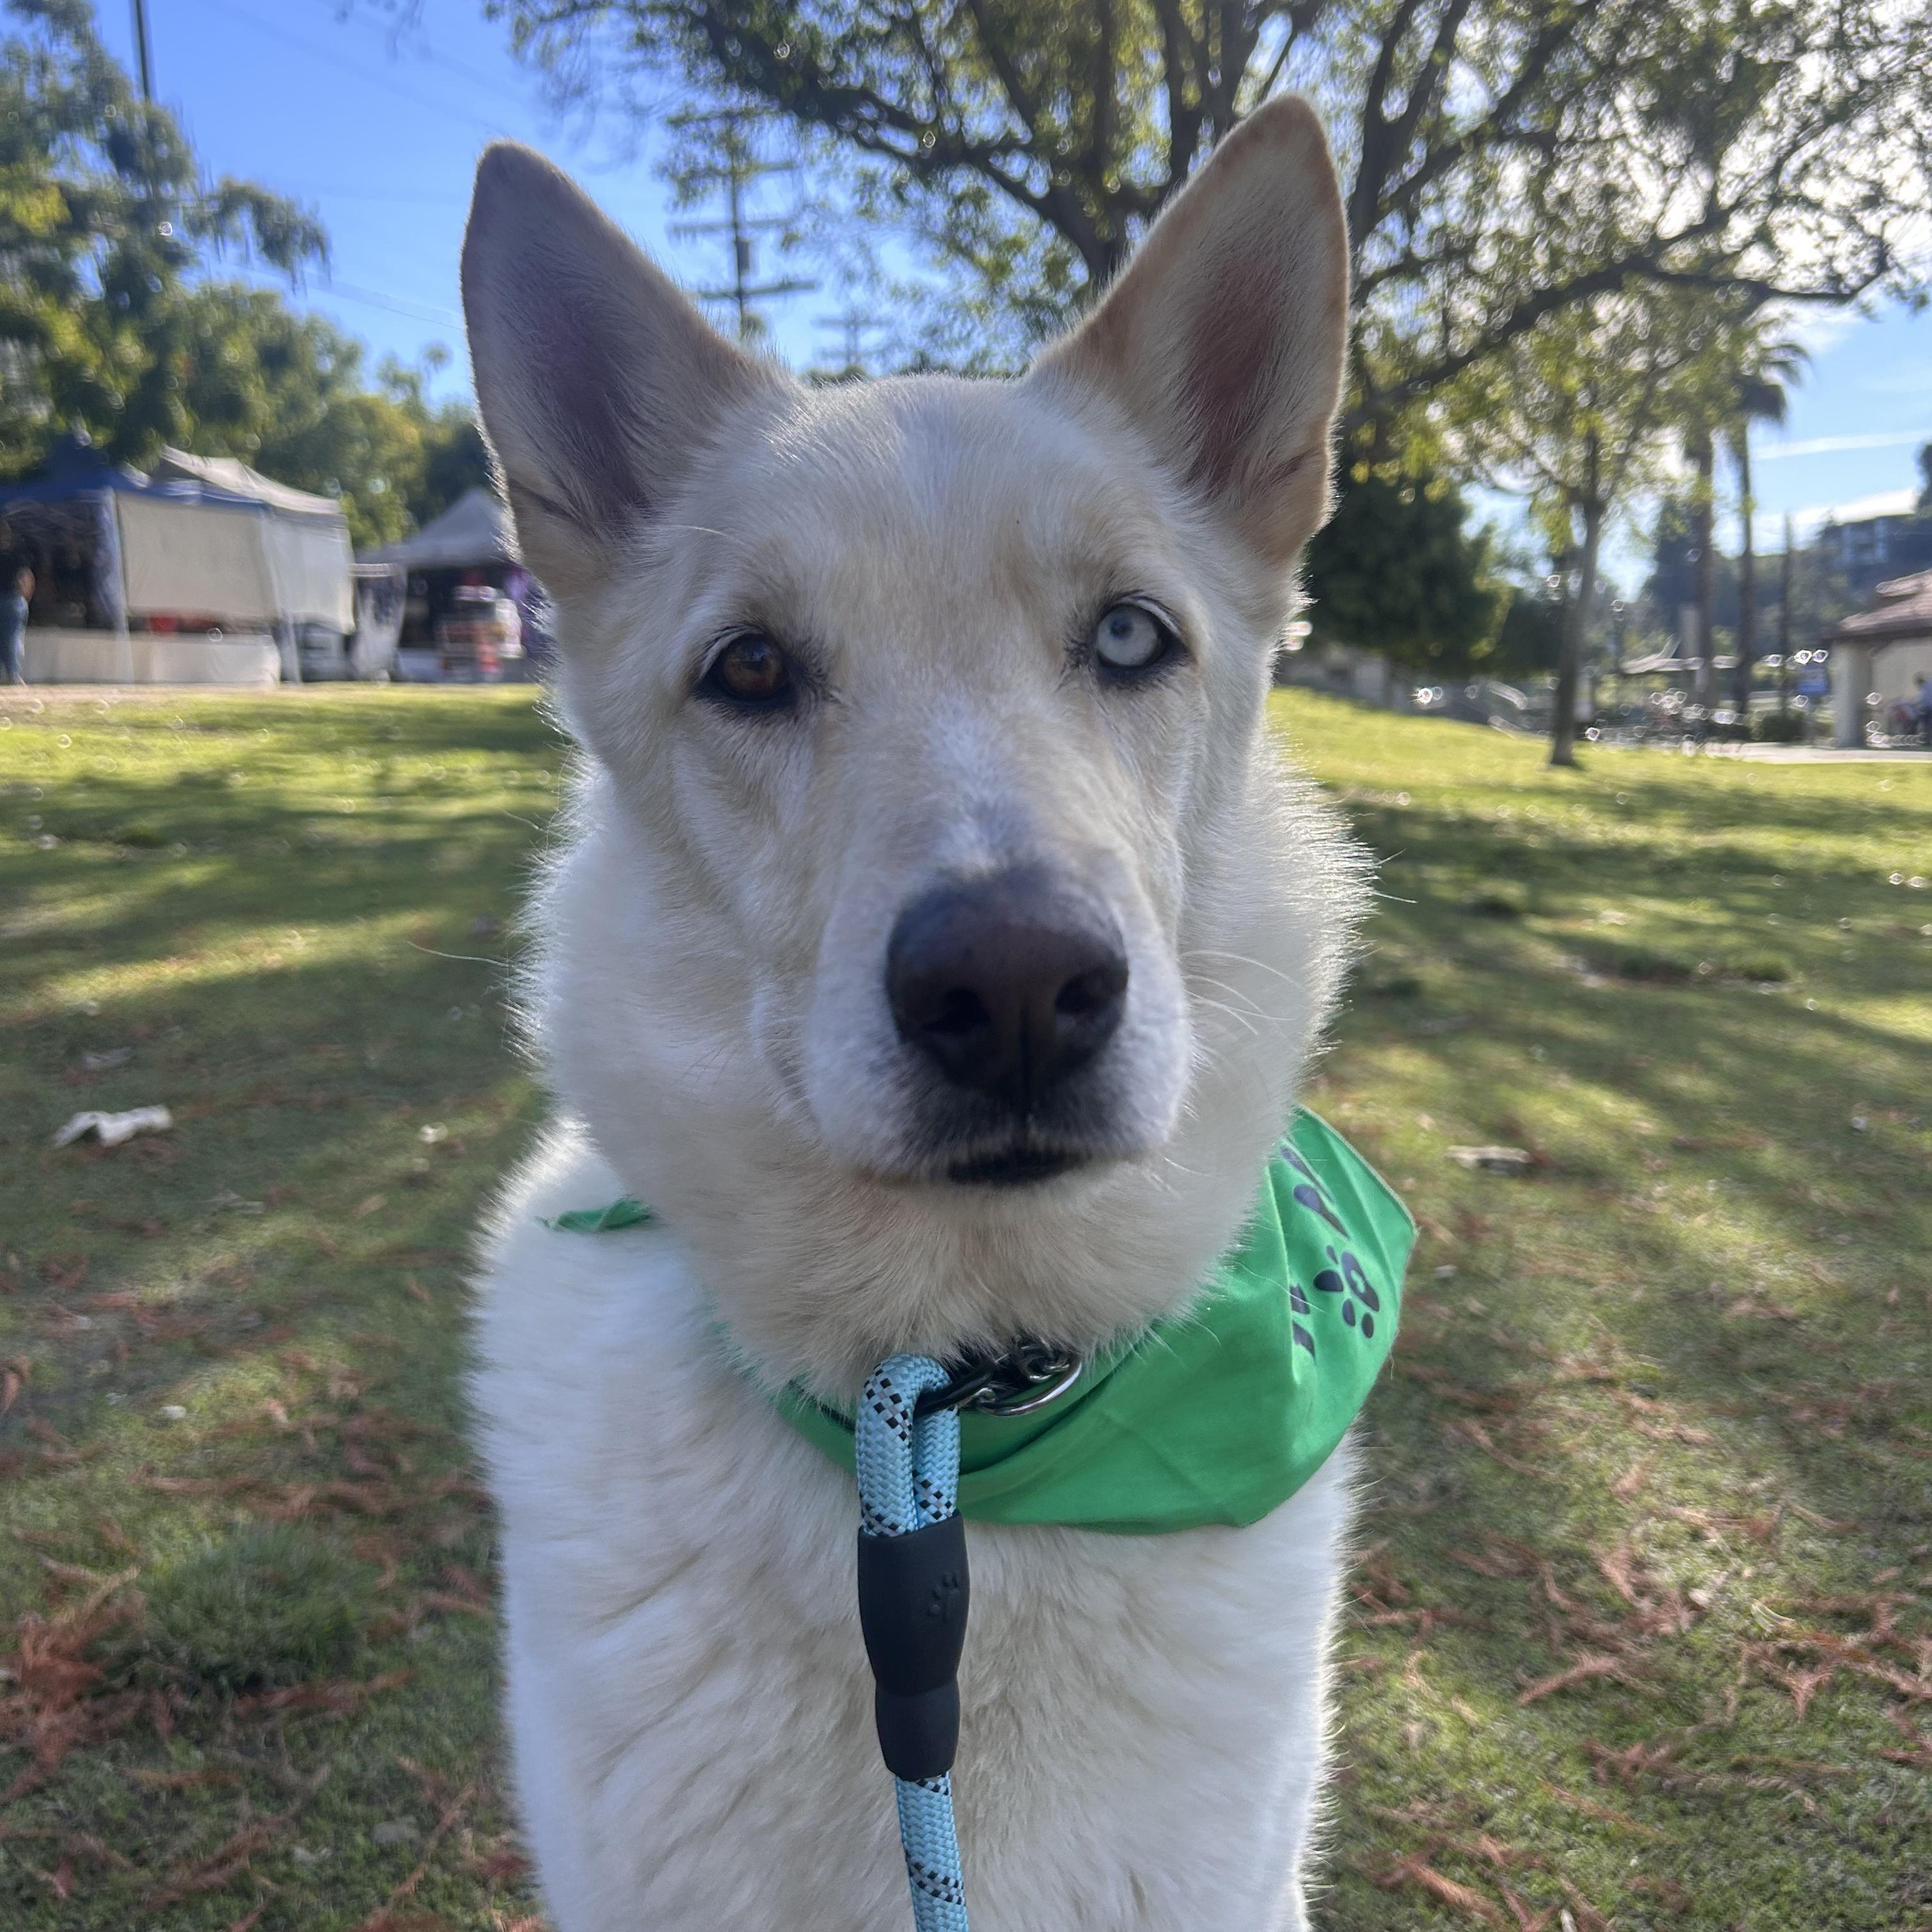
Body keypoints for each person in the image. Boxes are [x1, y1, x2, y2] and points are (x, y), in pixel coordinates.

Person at [0, 567, 32, 684]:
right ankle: (12, 673)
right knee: (13, 638)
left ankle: (11, 673)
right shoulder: (18, 554)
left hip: (12, 598)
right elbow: (26, 575)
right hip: (13, 599)